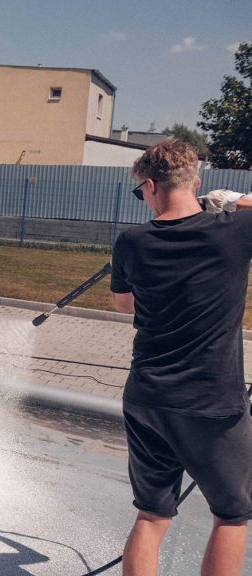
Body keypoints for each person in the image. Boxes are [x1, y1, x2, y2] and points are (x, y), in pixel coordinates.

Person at [110, 138, 252, 576]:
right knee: (232, 514)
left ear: (151, 186)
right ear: (198, 182)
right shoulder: (233, 230)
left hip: (147, 398)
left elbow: (122, 304)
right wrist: (237, 202)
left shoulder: (132, 241)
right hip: (212, 404)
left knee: (153, 514)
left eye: (142, 192)